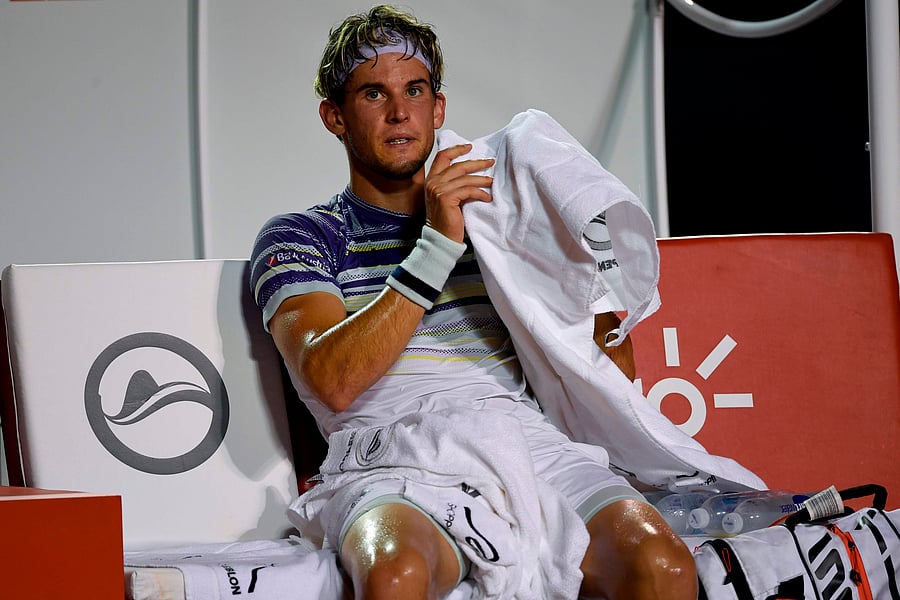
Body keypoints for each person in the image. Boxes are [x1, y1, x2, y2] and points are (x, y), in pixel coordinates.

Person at [250, 5, 697, 599]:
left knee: (663, 568)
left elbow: (608, 374)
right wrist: (436, 244)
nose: (399, 111)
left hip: (526, 440)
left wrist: (577, 274)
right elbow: (332, 380)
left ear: (439, 107)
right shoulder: (300, 235)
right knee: (394, 575)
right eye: (372, 94)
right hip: (389, 451)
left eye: (415, 90)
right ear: (334, 116)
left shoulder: (500, 220)